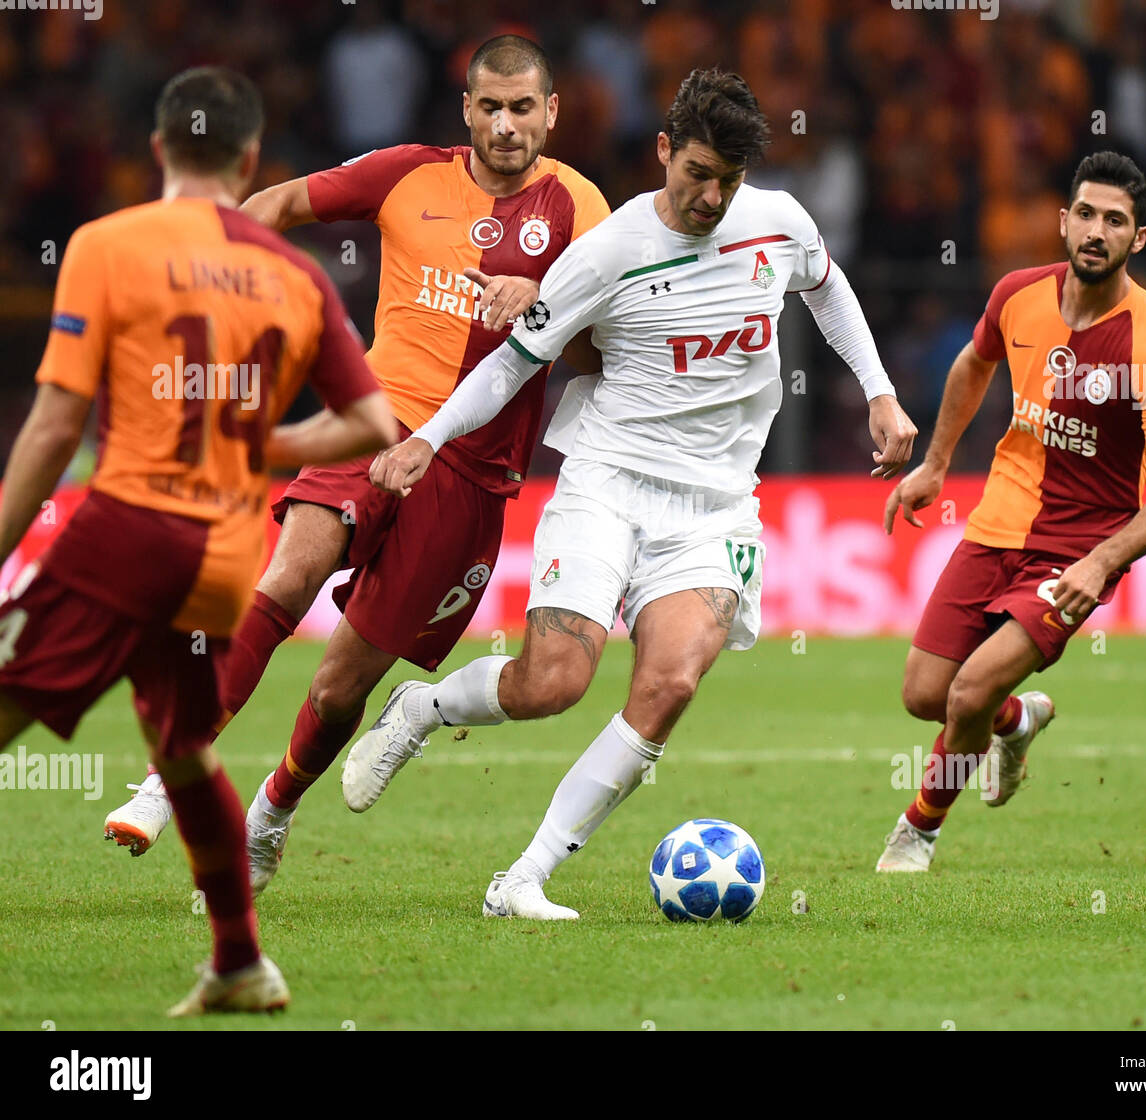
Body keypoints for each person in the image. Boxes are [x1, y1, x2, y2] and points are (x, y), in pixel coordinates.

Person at [344, 68, 918, 919]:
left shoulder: (779, 222)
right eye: (695, 174)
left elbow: (826, 285)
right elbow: (513, 363)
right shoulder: (607, 253)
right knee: (554, 684)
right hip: (607, 484)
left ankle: (524, 878)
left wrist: (878, 389)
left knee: (669, 687)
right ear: (663, 153)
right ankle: (423, 706)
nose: (710, 197)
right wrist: (428, 438)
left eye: (727, 180)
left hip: (717, 504)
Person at [103, 35, 610, 893]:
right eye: (489, 106)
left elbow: (607, 345)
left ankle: (272, 810)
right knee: (290, 571)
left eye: (523, 108)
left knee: (341, 690)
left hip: (475, 477)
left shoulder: (583, 210)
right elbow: (278, 202)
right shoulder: (408, 173)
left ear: (551, 112)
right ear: (466, 109)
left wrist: (549, 300)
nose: (505, 124)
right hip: (376, 422)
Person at [0, 67, 396, 1014]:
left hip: (129, 529)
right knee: (181, 746)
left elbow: (57, 425)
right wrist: (262, 442)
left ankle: (240, 964)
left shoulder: (108, 244)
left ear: (158, 149)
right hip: (222, 559)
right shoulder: (294, 273)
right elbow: (374, 423)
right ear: (250, 157)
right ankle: (239, 966)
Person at [874, 150, 1146, 872]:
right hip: (998, 522)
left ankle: (919, 830)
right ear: (1063, 220)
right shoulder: (1018, 294)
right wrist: (935, 463)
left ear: (1137, 240)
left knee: (966, 692)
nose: (1096, 230)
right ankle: (1016, 721)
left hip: (1075, 552)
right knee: (924, 694)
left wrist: (1103, 561)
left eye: (1115, 221)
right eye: (1085, 213)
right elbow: (973, 362)